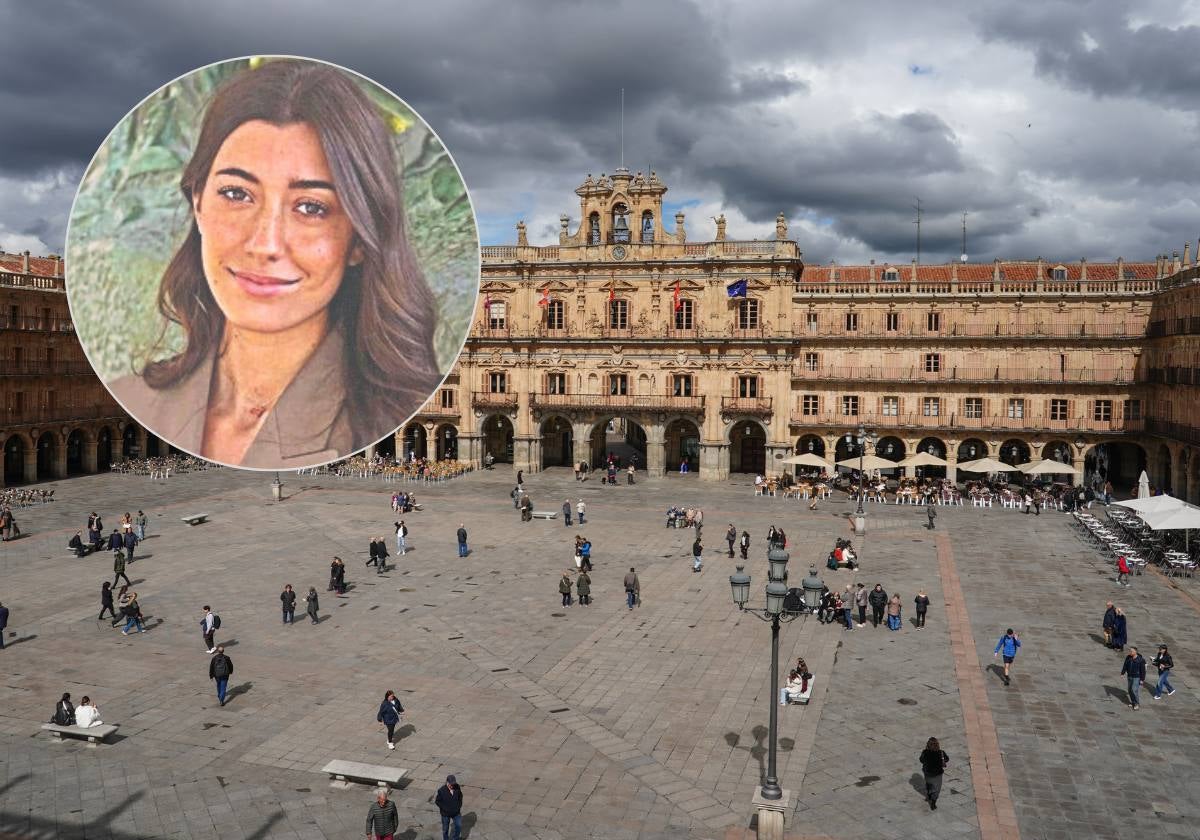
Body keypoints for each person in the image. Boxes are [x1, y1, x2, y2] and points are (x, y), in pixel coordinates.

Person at [108, 59, 441, 469]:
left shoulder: (390, 416)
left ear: (358, 238)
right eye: (236, 193)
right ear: (197, 202)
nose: (265, 244)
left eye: (311, 207)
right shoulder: (131, 398)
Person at [919, 737, 949, 810]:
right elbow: (947, 759)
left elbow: (921, 760)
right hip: (937, 775)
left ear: (928, 744)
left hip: (927, 773)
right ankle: (933, 804)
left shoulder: (924, 752)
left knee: (929, 784)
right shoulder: (941, 752)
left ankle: (929, 795)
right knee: (936, 789)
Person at [435, 775, 463, 840]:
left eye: (453, 784)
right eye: (451, 784)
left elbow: (460, 796)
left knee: (459, 826)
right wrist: (445, 808)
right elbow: (437, 801)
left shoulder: (457, 787)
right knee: (445, 829)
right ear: (447, 782)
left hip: (456, 812)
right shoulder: (441, 790)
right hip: (445, 814)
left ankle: (455, 838)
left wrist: (459, 805)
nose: (452, 786)